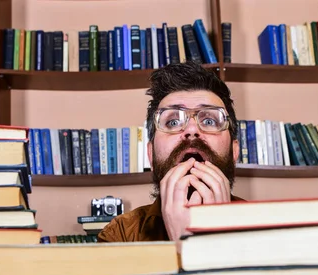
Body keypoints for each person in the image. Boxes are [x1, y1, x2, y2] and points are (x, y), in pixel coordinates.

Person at [98, 61, 242, 244]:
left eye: (209, 121)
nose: (191, 130)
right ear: (151, 154)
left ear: (234, 151)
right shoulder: (120, 235)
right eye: (173, 122)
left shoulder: (270, 231)